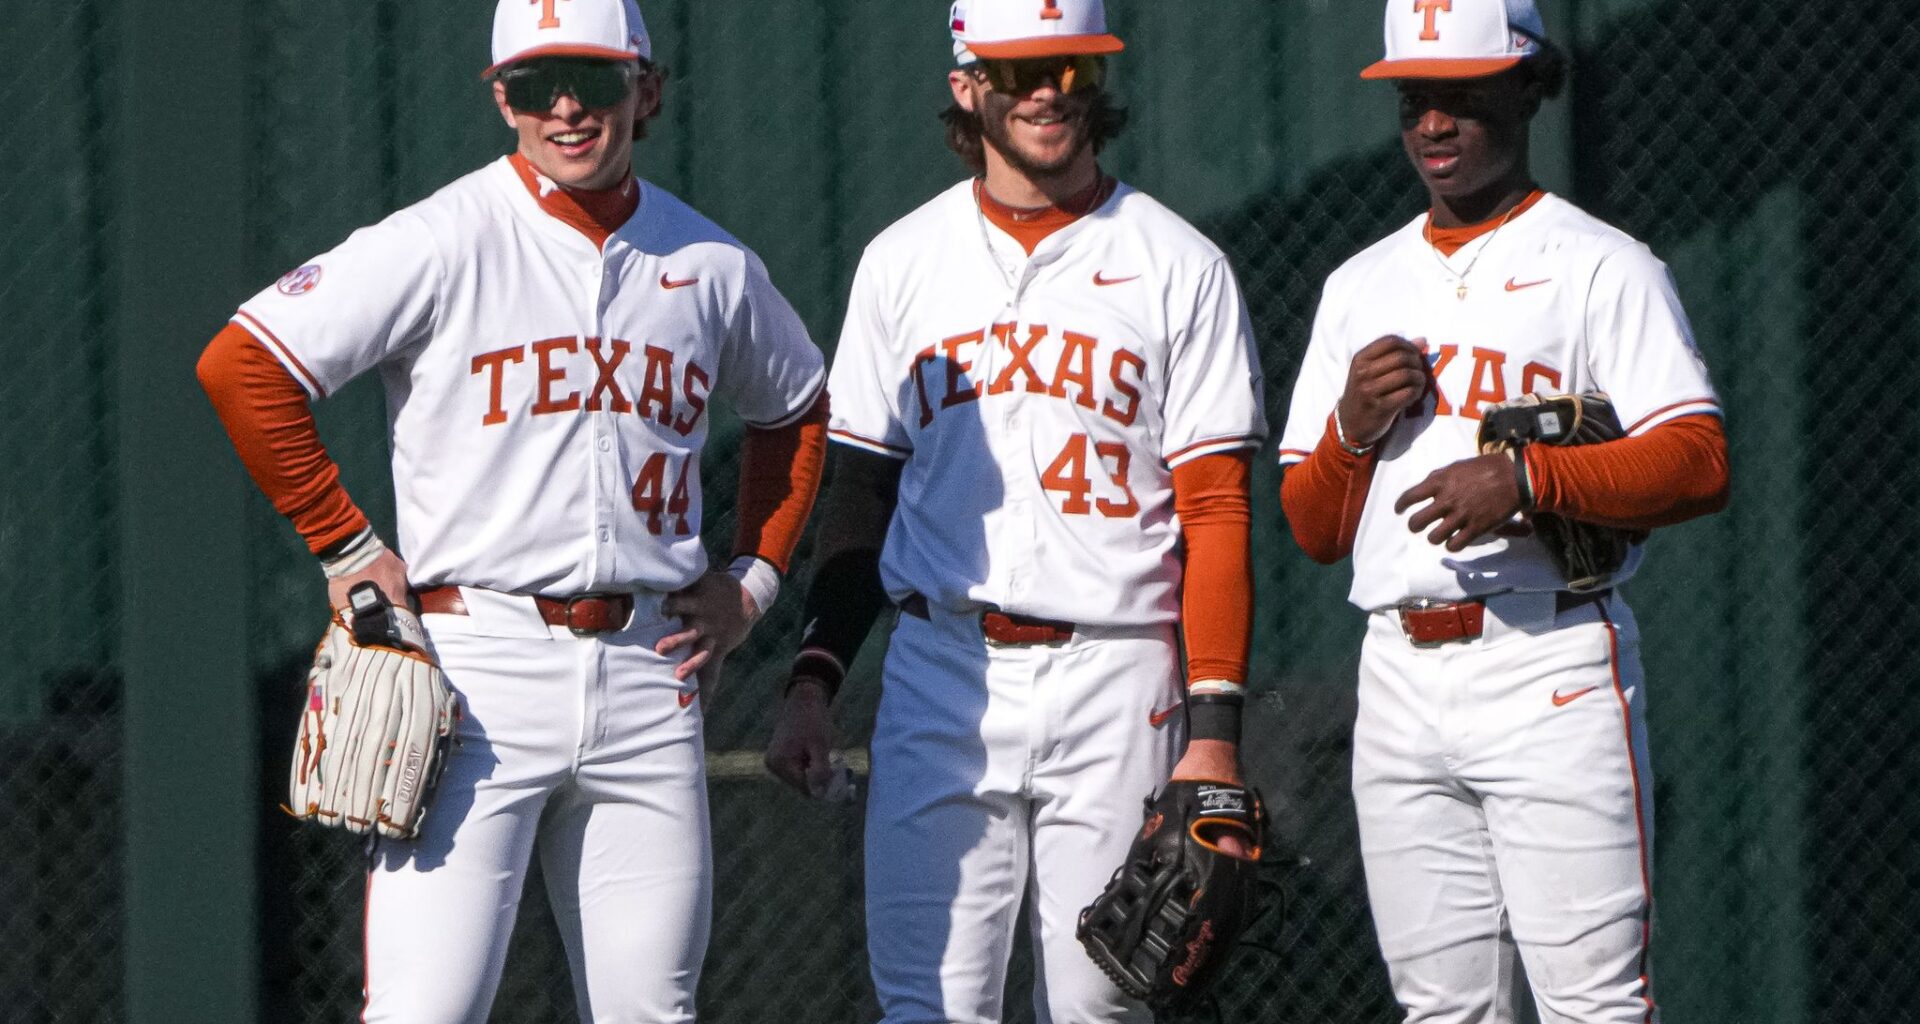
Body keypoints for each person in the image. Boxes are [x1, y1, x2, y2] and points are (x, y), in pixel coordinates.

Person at [195, 0, 828, 1019]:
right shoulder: (441, 238)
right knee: (425, 1008)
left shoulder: (710, 263)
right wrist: (345, 544)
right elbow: (244, 365)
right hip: (475, 665)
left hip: (648, 670)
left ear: (648, 90)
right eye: (536, 85)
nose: (566, 107)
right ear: (501, 99)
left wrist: (752, 582)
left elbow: (795, 409)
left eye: (594, 79)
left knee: (651, 1011)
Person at [761, 1, 1266, 1021]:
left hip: (1116, 670)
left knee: (1103, 1008)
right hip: (942, 669)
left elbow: (1217, 510)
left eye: (1071, 68)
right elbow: (861, 489)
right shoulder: (904, 259)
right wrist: (816, 676)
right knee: (927, 1006)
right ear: (966, 85)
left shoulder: (1178, 263)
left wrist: (1214, 729)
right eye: (1018, 70)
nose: (1047, 91)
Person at [1275, 1, 1730, 1021]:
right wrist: (1350, 427)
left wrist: (1530, 479)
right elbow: (1313, 529)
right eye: (1414, 99)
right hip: (1397, 672)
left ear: (1527, 88)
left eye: (1463, 96)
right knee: (1442, 1010)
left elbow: (1700, 462)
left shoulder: (1603, 264)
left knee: (1593, 1005)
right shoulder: (1360, 283)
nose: (1434, 123)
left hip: (1548, 660)